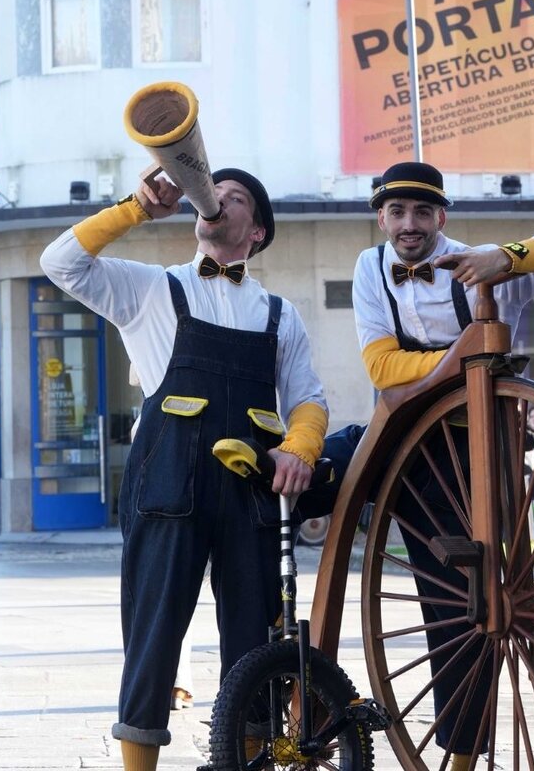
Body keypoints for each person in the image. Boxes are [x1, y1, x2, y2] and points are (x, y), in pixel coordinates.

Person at [40, 169, 328, 771]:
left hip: (250, 491)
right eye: (211, 190)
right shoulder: (150, 288)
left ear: (258, 231)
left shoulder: (280, 314)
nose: (216, 198)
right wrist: (136, 209)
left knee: (252, 634)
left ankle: (242, 761)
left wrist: (299, 449)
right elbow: (60, 262)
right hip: (165, 482)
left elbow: (308, 399)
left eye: (236, 196)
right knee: (153, 633)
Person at [353, 160, 534, 771]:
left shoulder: (477, 261)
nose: (409, 225)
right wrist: (454, 365)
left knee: (493, 590)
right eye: (397, 212)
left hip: (487, 445)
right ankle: (460, 752)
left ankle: (465, 747)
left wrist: (505, 259)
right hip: (422, 450)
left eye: (422, 212)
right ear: (381, 217)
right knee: (450, 607)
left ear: (442, 217)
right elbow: (380, 368)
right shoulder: (370, 268)